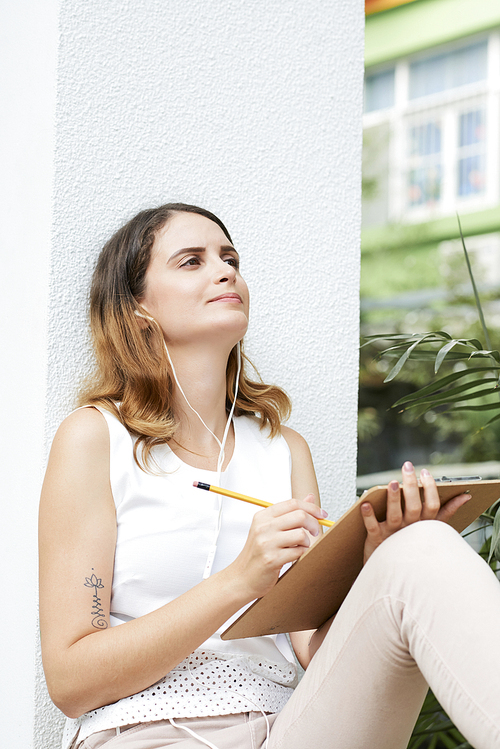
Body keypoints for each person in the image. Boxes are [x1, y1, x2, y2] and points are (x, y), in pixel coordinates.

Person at [39, 203, 500, 749]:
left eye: (229, 257)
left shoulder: (284, 451)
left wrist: (376, 575)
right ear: (138, 307)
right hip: (148, 734)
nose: (225, 270)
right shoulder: (95, 438)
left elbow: (317, 651)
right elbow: (71, 682)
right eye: (192, 261)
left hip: (287, 731)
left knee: (418, 547)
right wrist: (241, 580)